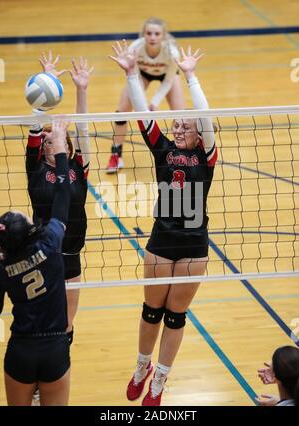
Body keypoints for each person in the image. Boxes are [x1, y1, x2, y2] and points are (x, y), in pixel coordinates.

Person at [109, 41, 217, 406]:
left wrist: (190, 75)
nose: (181, 124)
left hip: (193, 247)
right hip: (161, 241)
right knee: (151, 311)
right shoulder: (163, 149)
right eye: (177, 122)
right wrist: (130, 75)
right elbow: (143, 114)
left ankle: (160, 382)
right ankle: (142, 368)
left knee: (175, 316)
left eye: (187, 124)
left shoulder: (207, 156)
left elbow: (204, 115)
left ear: (200, 134)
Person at [0, 121, 71, 406]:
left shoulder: (3, 268)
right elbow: (63, 196)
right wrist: (61, 148)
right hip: (54, 346)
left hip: (21, 350)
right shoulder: (50, 242)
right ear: (30, 229)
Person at [26, 51, 93, 346]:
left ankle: (58, 371)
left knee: (66, 324)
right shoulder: (36, 169)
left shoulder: (78, 169)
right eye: (49, 139)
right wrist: (46, 83)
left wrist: (81, 89)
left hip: (71, 256)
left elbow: (82, 129)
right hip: (42, 254)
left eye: (59, 139)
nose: (54, 141)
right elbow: (34, 128)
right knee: (40, 320)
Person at [106, 17, 185, 173]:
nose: (152, 37)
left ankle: (181, 156)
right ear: (143, 34)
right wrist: (142, 104)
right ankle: (116, 155)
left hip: (167, 77)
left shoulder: (172, 51)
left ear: (163, 36)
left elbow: (168, 80)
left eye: (157, 34)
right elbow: (132, 77)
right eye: (149, 33)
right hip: (142, 74)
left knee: (181, 117)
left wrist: (155, 102)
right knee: (121, 112)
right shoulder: (135, 48)